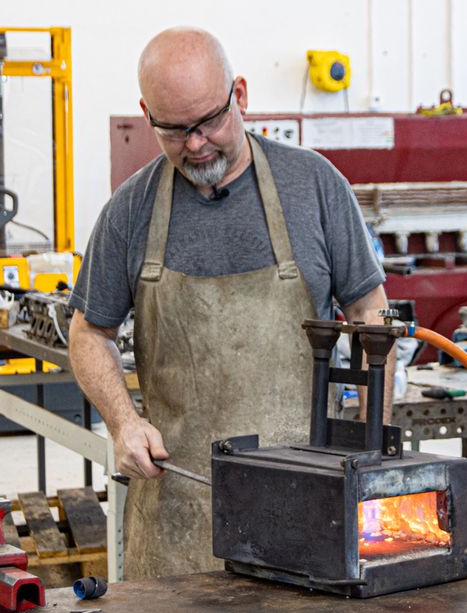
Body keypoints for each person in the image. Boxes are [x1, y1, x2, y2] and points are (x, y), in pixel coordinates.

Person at [68, 26, 390, 579]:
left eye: (209, 122)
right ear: (147, 114)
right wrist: (123, 423)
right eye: (173, 129)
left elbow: (370, 315)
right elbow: (87, 332)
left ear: (239, 95)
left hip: (311, 512)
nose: (195, 144)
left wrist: (374, 456)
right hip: (178, 516)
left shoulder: (313, 186)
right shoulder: (130, 211)